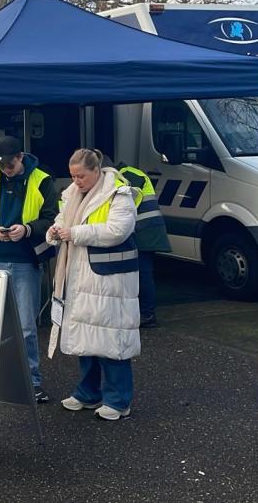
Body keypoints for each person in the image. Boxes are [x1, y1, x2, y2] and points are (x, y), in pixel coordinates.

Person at [48, 148, 140, 421]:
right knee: (85, 339)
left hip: (109, 280)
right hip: (81, 277)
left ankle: (119, 400)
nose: (76, 181)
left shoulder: (119, 193)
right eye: (73, 176)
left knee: (112, 340)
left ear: (97, 171)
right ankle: (88, 393)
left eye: (81, 176)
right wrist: (53, 231)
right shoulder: (72, 195)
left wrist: (74, 233)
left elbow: (117, 230)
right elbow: (61, 221)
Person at [0, 136, 57, 403]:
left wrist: (27, 229)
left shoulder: (42, 180)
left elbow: (53, 218)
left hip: (25, 261)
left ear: (20, 157)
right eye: (2, 165)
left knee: (26, 326)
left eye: (10, 164)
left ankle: (32, 382)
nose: (6, 169)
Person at [118, 162, 169, 328]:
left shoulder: (126, 173)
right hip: (147, 229)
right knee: (143, 274)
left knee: (143, 275)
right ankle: (146, 313)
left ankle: (147, 314)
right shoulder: (131, 172)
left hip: (144, 231)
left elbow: (125, 197)